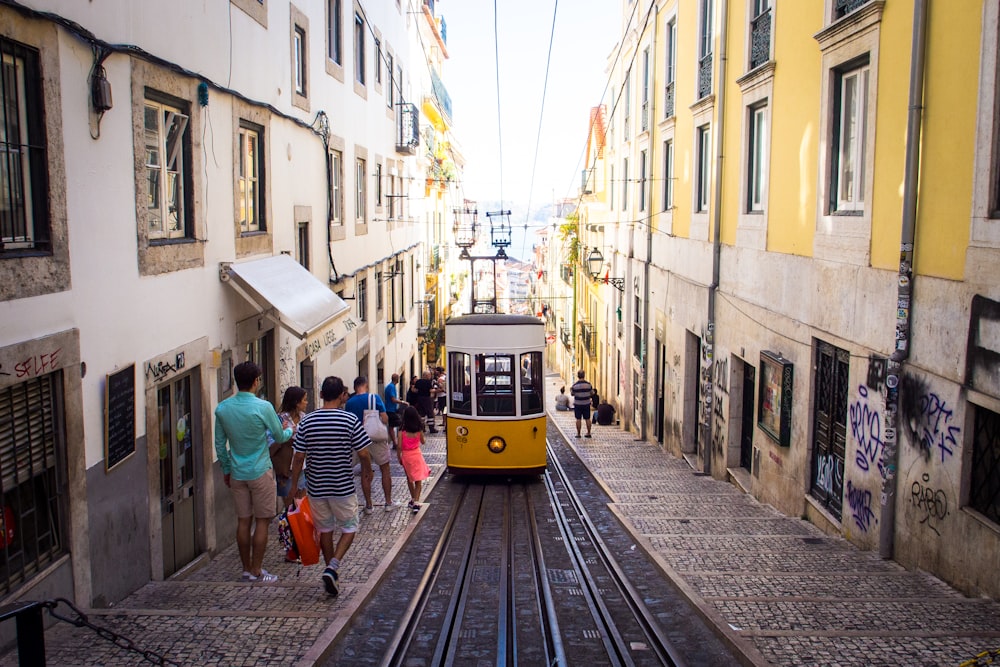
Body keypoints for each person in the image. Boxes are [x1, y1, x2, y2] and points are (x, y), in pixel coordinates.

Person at [289, 376, 372, 597]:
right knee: (349, 528)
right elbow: (363, 452)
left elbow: (298, 458)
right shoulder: (349, 421)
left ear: (322, 395)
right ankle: (332, 567)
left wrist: (294, 484)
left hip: (316, 488)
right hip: (342, 487)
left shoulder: (307, 422)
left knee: (325, 530)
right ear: (342, 396)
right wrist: (367, 470)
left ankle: (330, 571)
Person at [214, 361, 292, 583]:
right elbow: (279, 436)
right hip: (260, 471)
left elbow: (220, 445)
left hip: (238, 473)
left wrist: (227, 470)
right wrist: (289, 430)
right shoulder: (263, 407)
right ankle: (257, 569)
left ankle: (246, 568)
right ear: (256, 381)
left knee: (243, 521)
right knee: (263, 521)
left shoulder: (222, 409)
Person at [344, 376, 399, 512]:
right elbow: (385, 418)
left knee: (365, 471)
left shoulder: (350, 403)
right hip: (376, 439)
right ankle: (388, 503)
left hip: (359, 440)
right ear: (366, 385)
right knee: (385, 470)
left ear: (355, 387)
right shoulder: (374, 398)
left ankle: (369, 505)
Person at [272, 386, 308, 512]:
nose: (306, 402)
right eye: (304, 400)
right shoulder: (279, 419)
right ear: (296, 403)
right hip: (285, 467)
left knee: (301, 502)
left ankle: (300, 530)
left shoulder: (305, 418)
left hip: (301, 466)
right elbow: (271, 443)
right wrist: (283, 433)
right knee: (289, 504)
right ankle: (291, 529)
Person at [397, 406, 431, 513]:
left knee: (409, 478)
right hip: (416, 455)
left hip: (406, 456)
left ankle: (413, 499)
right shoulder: (418, 429)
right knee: (418, 480)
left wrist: (399, 457)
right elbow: (423, 441)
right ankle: (416, 502)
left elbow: (399, 446)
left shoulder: (401, 431)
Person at [384, 373, 407, 450]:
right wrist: (402, 402)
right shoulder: (391, 387)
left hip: (389, 409)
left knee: (391, 427)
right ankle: (400, 442)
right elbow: (393, 399)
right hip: (391, 410)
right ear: (397, 379)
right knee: (401, 424)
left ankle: (395, 443)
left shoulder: (389, 386)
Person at [571, 370, 594, 438]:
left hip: (578, 404)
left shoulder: (575, 386)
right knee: (587, 418)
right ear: (584, 375)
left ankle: (578, 434)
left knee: (578, 419)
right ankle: (589, 433)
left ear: (578, 376)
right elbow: (592, 393)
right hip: (586, 404)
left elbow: (572, 394)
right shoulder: (588, 385)